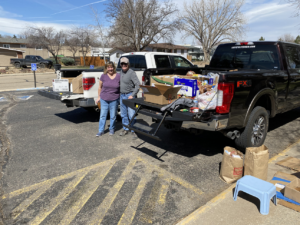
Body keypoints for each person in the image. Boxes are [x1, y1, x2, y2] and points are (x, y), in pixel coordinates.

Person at [95, 61, 120, 137]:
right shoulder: (103, 76)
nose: (110, 69)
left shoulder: (118, 76)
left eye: (111, 67)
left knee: (113, 116)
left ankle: (112, 128)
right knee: (103, 115)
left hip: (114, 99)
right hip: (104, 99)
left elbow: (122, 86)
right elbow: (100, 87)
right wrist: (99, 97)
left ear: (114, 68)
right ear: (106, 68)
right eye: (108, 67)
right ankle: (101, 130)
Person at [119, 57, 140, 139]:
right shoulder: (120, 72)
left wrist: (133, 94)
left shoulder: (131, 73)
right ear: (120, 65)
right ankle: (125, 129)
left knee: (131, 114)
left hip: (129, 95)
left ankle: (133, 130)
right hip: (122, 96)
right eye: (122, 64)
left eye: (125, 64)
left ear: (128, 64)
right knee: (123, 114)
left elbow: (138, 84)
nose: (124, 65)